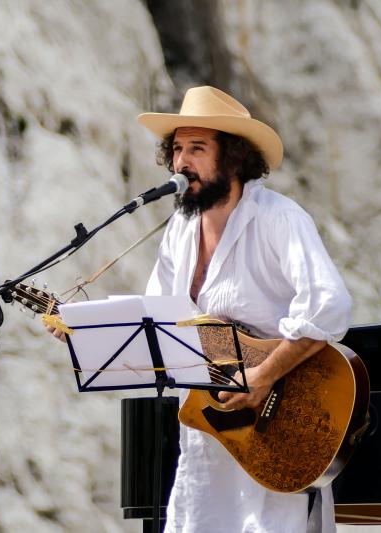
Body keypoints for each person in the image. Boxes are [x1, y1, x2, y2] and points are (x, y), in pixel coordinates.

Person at [138, 86, 352, 533]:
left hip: (274, 433)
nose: (182, 162)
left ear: (233, 157)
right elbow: (156, 319)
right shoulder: (179, 229)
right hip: (207, 439)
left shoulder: (279, 219)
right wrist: (83, 327)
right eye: (177, 149)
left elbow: (329, 304)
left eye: (197, 148)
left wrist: (265, 374)